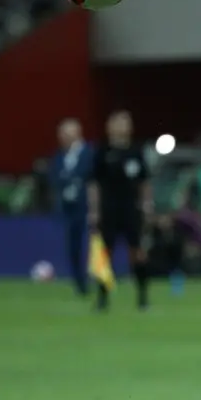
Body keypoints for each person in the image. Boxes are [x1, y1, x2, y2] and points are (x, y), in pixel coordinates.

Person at [87, 110, 153, 311]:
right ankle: (102, 298)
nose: (122, 127)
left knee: (138, 252)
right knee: (105, 253)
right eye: (117, 123)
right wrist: (94, 210)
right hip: (109, 209)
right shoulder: (102, 151)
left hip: (131, 209)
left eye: (125, 123)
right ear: (109, 127)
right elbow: (93, 184)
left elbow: (145, 182)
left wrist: (147, 205)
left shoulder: (136, 151)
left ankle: (142, 297)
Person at [50, 118, 93, 296]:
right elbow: (53, 178)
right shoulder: (59, 157)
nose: (63, 137)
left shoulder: (89, 153)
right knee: (73, 246)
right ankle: (79, 283)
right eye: (61, 133)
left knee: (93, 245)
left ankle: (99, 278)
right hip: (69, 208)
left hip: (87, 206)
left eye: (66, 133)